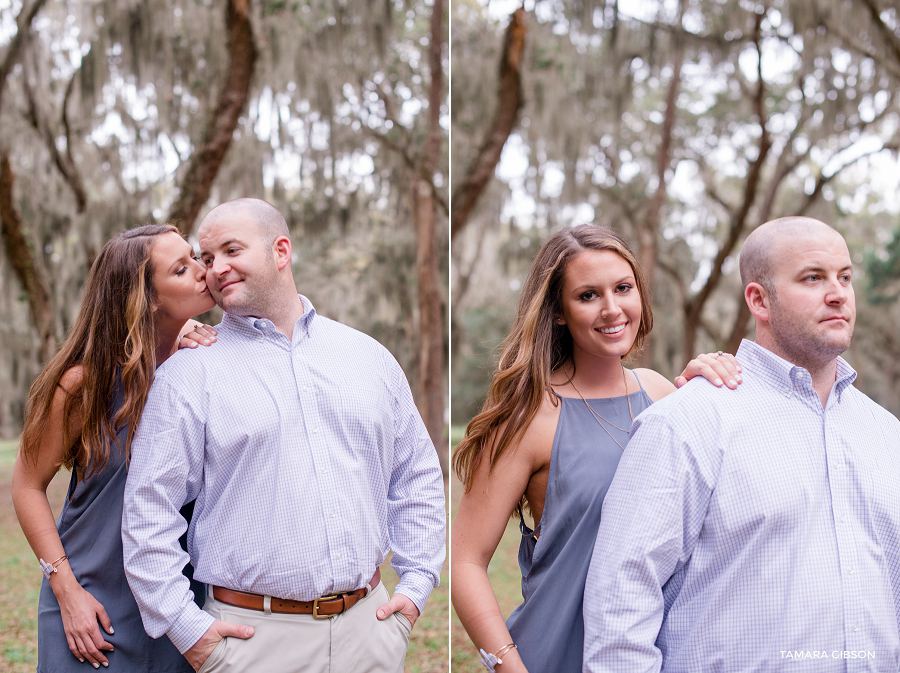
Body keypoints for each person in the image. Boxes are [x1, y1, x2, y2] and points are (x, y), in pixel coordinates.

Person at [121, 198, 445, 673]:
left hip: (370, 631)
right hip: (253, 642)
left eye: (232, 250)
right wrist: (189, 633)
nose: (216, 269)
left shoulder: (367, 357)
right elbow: (148, 513)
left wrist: (415, 588)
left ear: (281, 251)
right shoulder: (190, 375)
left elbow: (416, 474)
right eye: (207, 259)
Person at [583, 216, 900, 672]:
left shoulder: (885, 433)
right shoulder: (688, 422)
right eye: (813, 278)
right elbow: (620, 608)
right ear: (759, 299)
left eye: (844, 277)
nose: (837, 293)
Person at [451, 224, 742, 673]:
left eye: (623, 288)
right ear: (560, 311)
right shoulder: (529, 416)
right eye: (588, 295)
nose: (611, 309)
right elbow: (466, 561)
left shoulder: (664, 394)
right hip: (556, 655)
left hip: (655, 655)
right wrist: (508, 666)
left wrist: (707, 385)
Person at [12, 224, 219, 672]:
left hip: (178, 606)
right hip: (90, 605)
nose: (204, 270)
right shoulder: (83, 384)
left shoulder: (206, 368)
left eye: (195, 256)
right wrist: (66, 590)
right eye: (182, 269)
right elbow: (27, 486)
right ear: (149, 300)